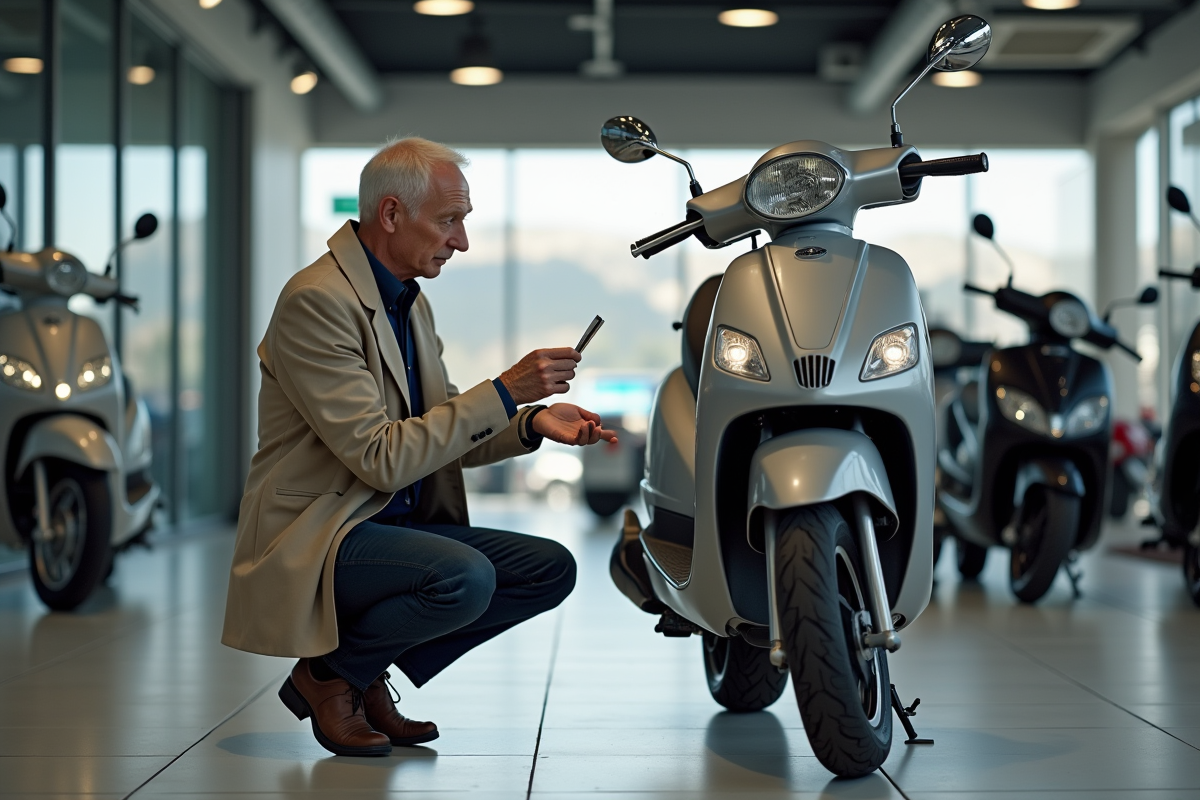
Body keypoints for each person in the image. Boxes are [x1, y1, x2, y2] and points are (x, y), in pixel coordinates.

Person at [221, 137, 617, 757]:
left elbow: (437, 430)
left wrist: (531, 420)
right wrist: (505, 389)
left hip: (385, 525)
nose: (461, 241)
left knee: (548, 570)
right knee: (464, 576)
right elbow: (382, 457)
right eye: (449, 221)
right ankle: (331, 677)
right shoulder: (317, 302)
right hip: (324, 529)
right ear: (390, 215)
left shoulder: (405, 299)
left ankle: (358, 671)